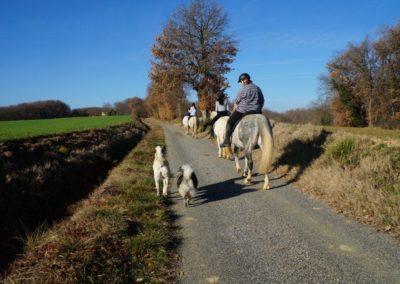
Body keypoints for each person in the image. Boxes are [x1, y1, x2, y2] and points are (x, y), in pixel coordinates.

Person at [220, 73, 264, 147]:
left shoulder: (243, 89)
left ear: (245, 80)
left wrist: (234, 110)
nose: (241, 83)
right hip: (257, 111)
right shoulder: (257, 88)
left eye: (240, 81)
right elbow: (262, 100)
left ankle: (227, 141)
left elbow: (236, 102)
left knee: (229, 122)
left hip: (242, 111)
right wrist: (258, 108)